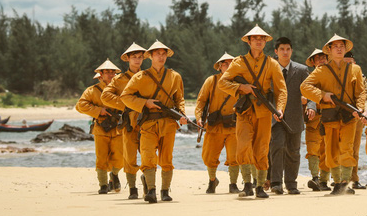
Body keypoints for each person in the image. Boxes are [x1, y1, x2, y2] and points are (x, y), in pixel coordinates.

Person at [218, 25, 287, 199]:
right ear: (248, 41)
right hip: (245, 111)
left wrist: (279, 108)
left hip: (264, 112)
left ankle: (260, 186)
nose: (259, 41)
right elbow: (223, 83)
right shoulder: (238, 63)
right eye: (255, 38)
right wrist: (242, 87)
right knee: (242, 147)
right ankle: (247, 184)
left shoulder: (272, 63)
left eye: (262, 38)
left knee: (262, 149)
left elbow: (281, 89)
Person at [121, 40, 188, 203]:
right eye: (157, 53)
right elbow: (125, 97)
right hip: (148, 123)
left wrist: (182, 115)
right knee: (147, 155)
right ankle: (151, 190)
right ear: (150, 56)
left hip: (168, 123)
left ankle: (165, 191)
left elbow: (179, 98)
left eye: (164, 53)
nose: (161, 56)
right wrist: (145, 103)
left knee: (167, 158)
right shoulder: (139, 77)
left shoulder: (174, 76)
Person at [300, 34, 367, 195]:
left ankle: (345, 182)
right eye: (335, 46)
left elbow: (361, 92)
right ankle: (336, 183)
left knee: (347, 149)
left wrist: (359, 109)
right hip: (329, 116)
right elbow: (305, 87)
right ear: (329, 50)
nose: (338, 48)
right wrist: (322, 95)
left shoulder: (355, 69)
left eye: (341, 46)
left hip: (349, 116)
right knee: (331, 150)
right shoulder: (321, 70)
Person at [268, 37, 314, 195]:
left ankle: (291, 184)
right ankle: (276, 183)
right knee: (277, 147)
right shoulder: (270, 69)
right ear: (276, 51)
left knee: (294, 151)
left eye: (288, 49)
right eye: (282, 49)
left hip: (295, 116)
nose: (285, 52)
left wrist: (311, 106)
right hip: (275, 117)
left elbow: (310, 91)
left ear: (291, 51)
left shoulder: (301, 70)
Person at [101, 42, 146, 199]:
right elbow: (105, 96)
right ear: (127, 59)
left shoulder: (148, 76)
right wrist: (126, 103)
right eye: (134, 57)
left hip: (146, 120)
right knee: (129, 155)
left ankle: (148, 182)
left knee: (148, 154)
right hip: (128, 122)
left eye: (140, 57)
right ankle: (133, 188)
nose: (137, 60)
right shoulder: (119, 79)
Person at [75, 59, 124, 194]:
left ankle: (113, 176)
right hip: (101, 127)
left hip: (119, 128)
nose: (110, 74)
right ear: (101, 74)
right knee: (101, 157)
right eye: (107, 72)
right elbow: (80, 106)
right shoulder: (92, 90)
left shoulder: (121, 89)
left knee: (120, 158)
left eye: (112, 72)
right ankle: (103, 186)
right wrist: (99, 111)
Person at [195, 52, 240, 194]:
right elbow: (201, 101)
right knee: (209, 156)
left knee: (235, 157)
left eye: (230, 63)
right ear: (220, 67)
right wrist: (199, 117)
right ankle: (212, 180)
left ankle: (233, 184)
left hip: (234, 126)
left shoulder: (240, 83)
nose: (227, 66)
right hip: (215, 126)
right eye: (225, 64)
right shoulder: (211, 81)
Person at [303, 49, 332, 191]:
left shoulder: (333, 76)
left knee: (328, 149)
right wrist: (310, 105)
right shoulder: (309, 78)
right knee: (312, 148)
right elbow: (308, 94)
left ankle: (324, 180)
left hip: (330, 116)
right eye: (317, 58)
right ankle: (315, 177)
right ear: (313, 62)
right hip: (313, 118)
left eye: (323, 57)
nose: (321, 60)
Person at [343, 51, 367, 190]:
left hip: (357, 118)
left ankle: (353, 179)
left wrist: (366, 112)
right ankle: (338, 178)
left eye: (351, 62)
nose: (348, 65)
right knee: (339, 149)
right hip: (340, 118)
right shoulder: (336, 76)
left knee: (354, 150)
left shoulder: (360, 77)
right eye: (345, 62)